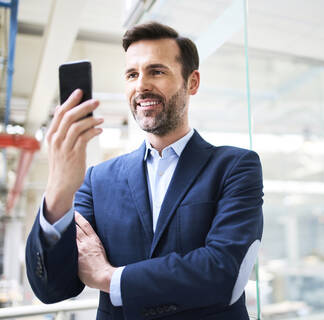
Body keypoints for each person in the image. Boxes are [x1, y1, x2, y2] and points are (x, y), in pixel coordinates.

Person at [25, 22, 263, 320]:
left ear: (192, 82)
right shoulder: (98, 180)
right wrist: (58, 190)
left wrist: (111, 279)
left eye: (157, 71)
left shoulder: (235, 167)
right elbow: (53, 290)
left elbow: (223, 271)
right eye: (132, 74)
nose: (141, 85)